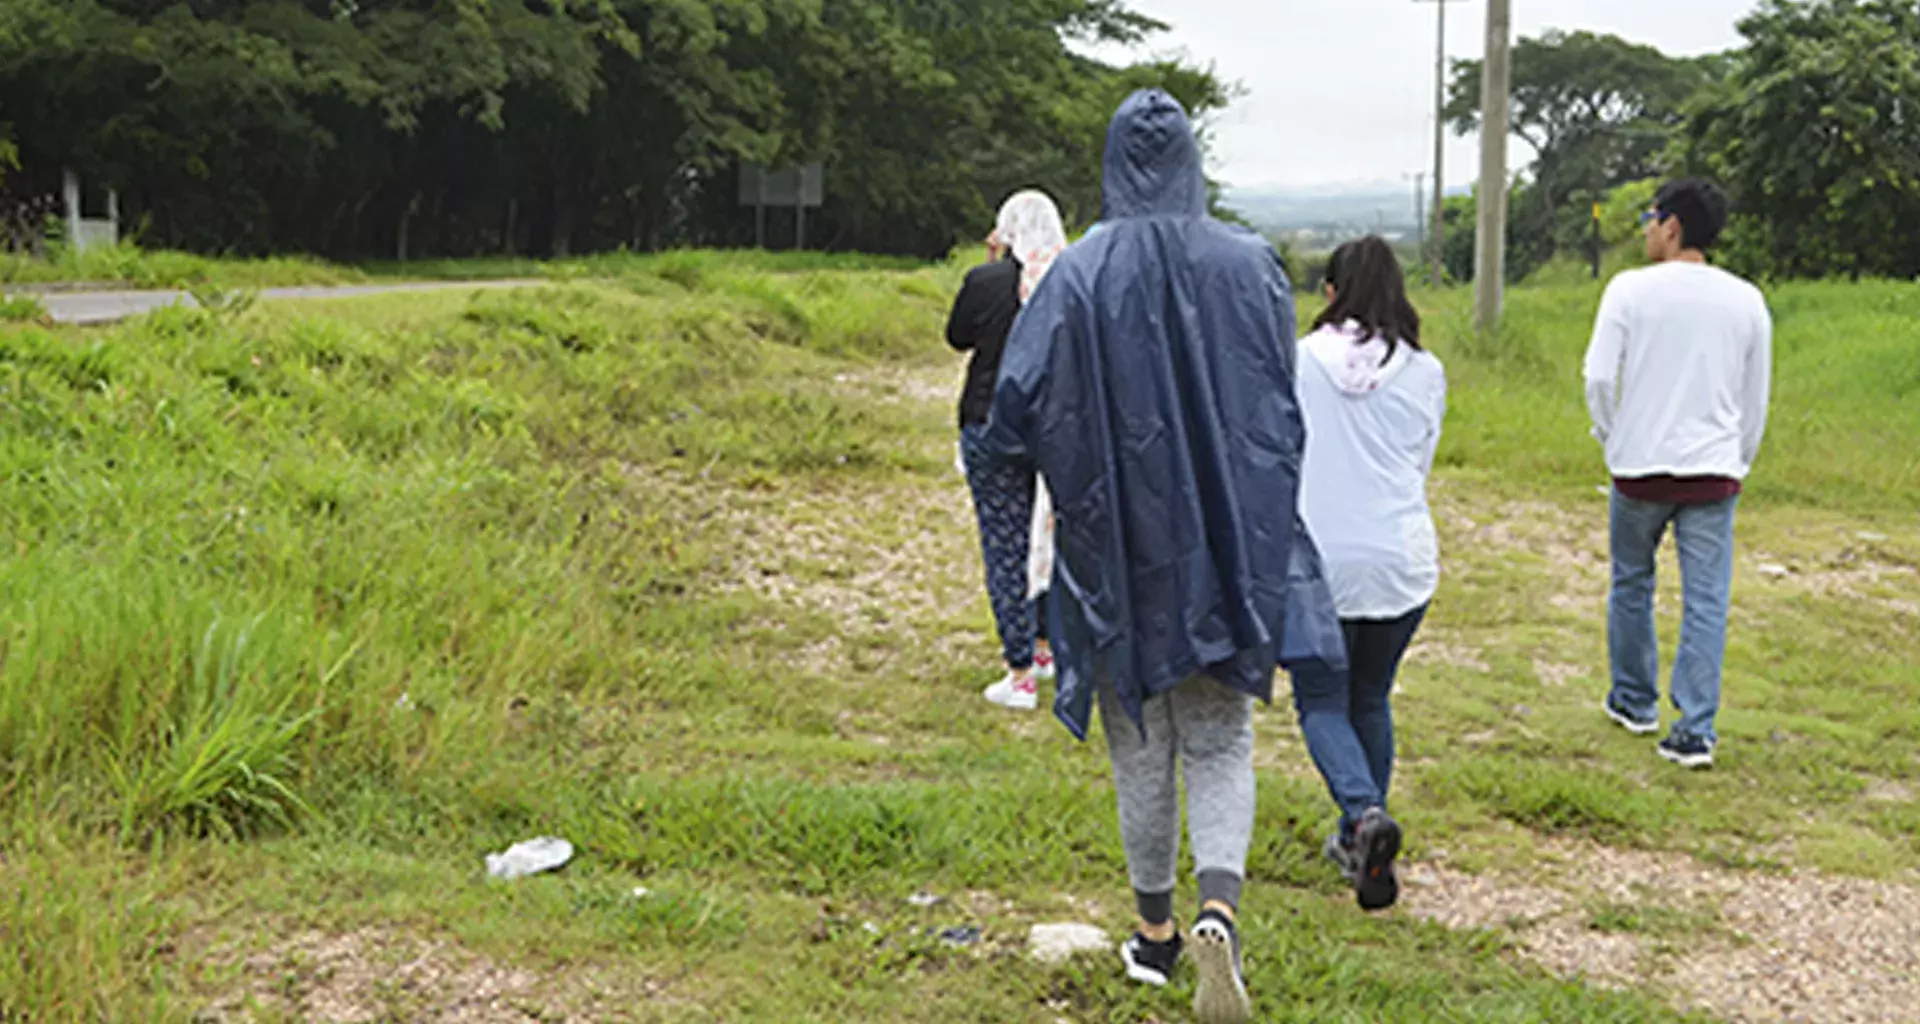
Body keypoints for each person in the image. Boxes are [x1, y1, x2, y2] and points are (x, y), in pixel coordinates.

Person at [976, 90, 1346, 1024]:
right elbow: (1277, 406)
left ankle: (1153, 938)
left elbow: (1014, 409)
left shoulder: (1076, 272)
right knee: (1221, 738)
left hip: (1113, 549)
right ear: (1190, 161)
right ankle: (1219, 906)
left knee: (1140, 746)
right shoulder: (1251, 264)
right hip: (1227, 542)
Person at [1583, 179, 1772, 770]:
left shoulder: (1629, 291)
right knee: (1706, 599)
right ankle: (1694, 729)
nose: (1645, 229)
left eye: (1650, 218)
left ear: (1671, 225)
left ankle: (1634, 702)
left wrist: (1613, 437)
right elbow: (1755, 396)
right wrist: (1737, 457)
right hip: (1713, 471)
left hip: (1639, 468)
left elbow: (1596, 377)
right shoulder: (1746, 299)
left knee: (1632, 581)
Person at [1288, 236, 1446, 912]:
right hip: (1400, 559)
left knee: (1322, 701)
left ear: (1330, 294)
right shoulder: (1426, 369)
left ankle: (1360, 817)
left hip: (1319, 559)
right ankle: (1362, 843)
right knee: (1371, 696)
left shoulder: (1297, 361)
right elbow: (1420, 461)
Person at [946, 190, 1069, 711]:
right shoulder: (1070, 281)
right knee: (1051, 536)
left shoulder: (988, 282)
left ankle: (1017, 670)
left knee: (1005, 542)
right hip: (1057, 429)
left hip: (991, 423)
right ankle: (1045, 647)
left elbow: (957, 337)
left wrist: (992, 266)